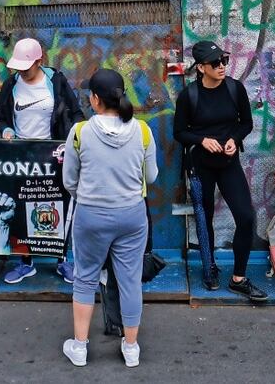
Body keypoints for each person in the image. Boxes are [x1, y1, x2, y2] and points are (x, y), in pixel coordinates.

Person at [62, 68, 157, 368]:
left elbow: (69, 181)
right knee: (130, 281)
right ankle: (131, 348)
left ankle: (79, 347)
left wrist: (91, 194)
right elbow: (151, 176)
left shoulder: (80, 132)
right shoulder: (142, 131)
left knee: (85, 277)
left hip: (91, 215)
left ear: (94, 99)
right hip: (132, 215)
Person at [173, 40, 265, 301]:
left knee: (246, 216)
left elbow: (245, 123)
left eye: (224, 60)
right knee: (205, 219)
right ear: (201, 68)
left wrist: (234, 140)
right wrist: (201, 140)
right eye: (215, 63)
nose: (222, 66)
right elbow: (179, 132)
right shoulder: (189, 96)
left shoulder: (235, 89)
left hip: (229, 163)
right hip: (201, 166)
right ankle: (209, 266)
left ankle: (239, 277)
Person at [0, 37, 83, 285]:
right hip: (23, 157)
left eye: (26, 67)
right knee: (23, 207)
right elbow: (1, 118)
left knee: (59, 207)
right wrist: (6, 131)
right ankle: (26, 262)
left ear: (39, 61)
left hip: (55, 156)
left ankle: (62, 260)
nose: (21, 71)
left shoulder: (56, 81)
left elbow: (76, 112)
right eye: (18, 67)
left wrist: (70, 140)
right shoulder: (11, 84)